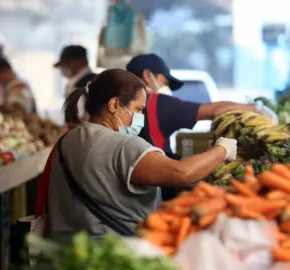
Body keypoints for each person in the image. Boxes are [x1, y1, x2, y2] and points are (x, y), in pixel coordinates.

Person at [39, 69, 236, 240]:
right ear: (114, 105)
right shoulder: (124, 146)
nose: (140, 118)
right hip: (113, 254)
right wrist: (222, 150)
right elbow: (181, 173)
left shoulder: (67, 141)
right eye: (138, 109)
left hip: (65, 253)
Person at [126, 53, 277, 200]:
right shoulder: (156, 103)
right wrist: (257, 109)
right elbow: (214, 110)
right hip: (154, 191)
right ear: (147, 76)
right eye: (165, 82)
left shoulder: (122, 106)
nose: (166, 88)